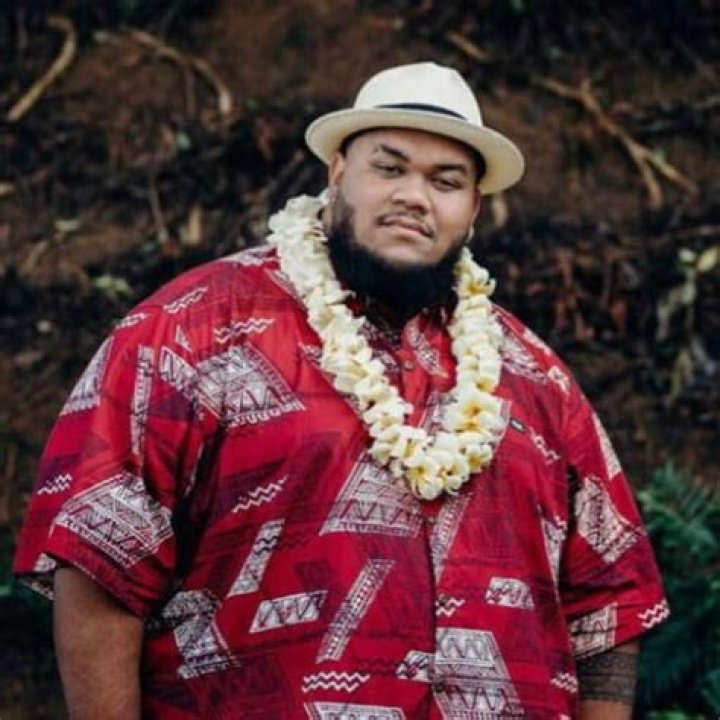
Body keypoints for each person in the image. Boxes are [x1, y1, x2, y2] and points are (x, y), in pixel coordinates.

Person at [14, 62, 668, 719]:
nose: (414, 195)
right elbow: (98, 560)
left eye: (446, 181)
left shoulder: (534, 379)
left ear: (473, 209)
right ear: (336, 173)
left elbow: (609, 601)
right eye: (389, 167)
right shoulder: (192, 330)